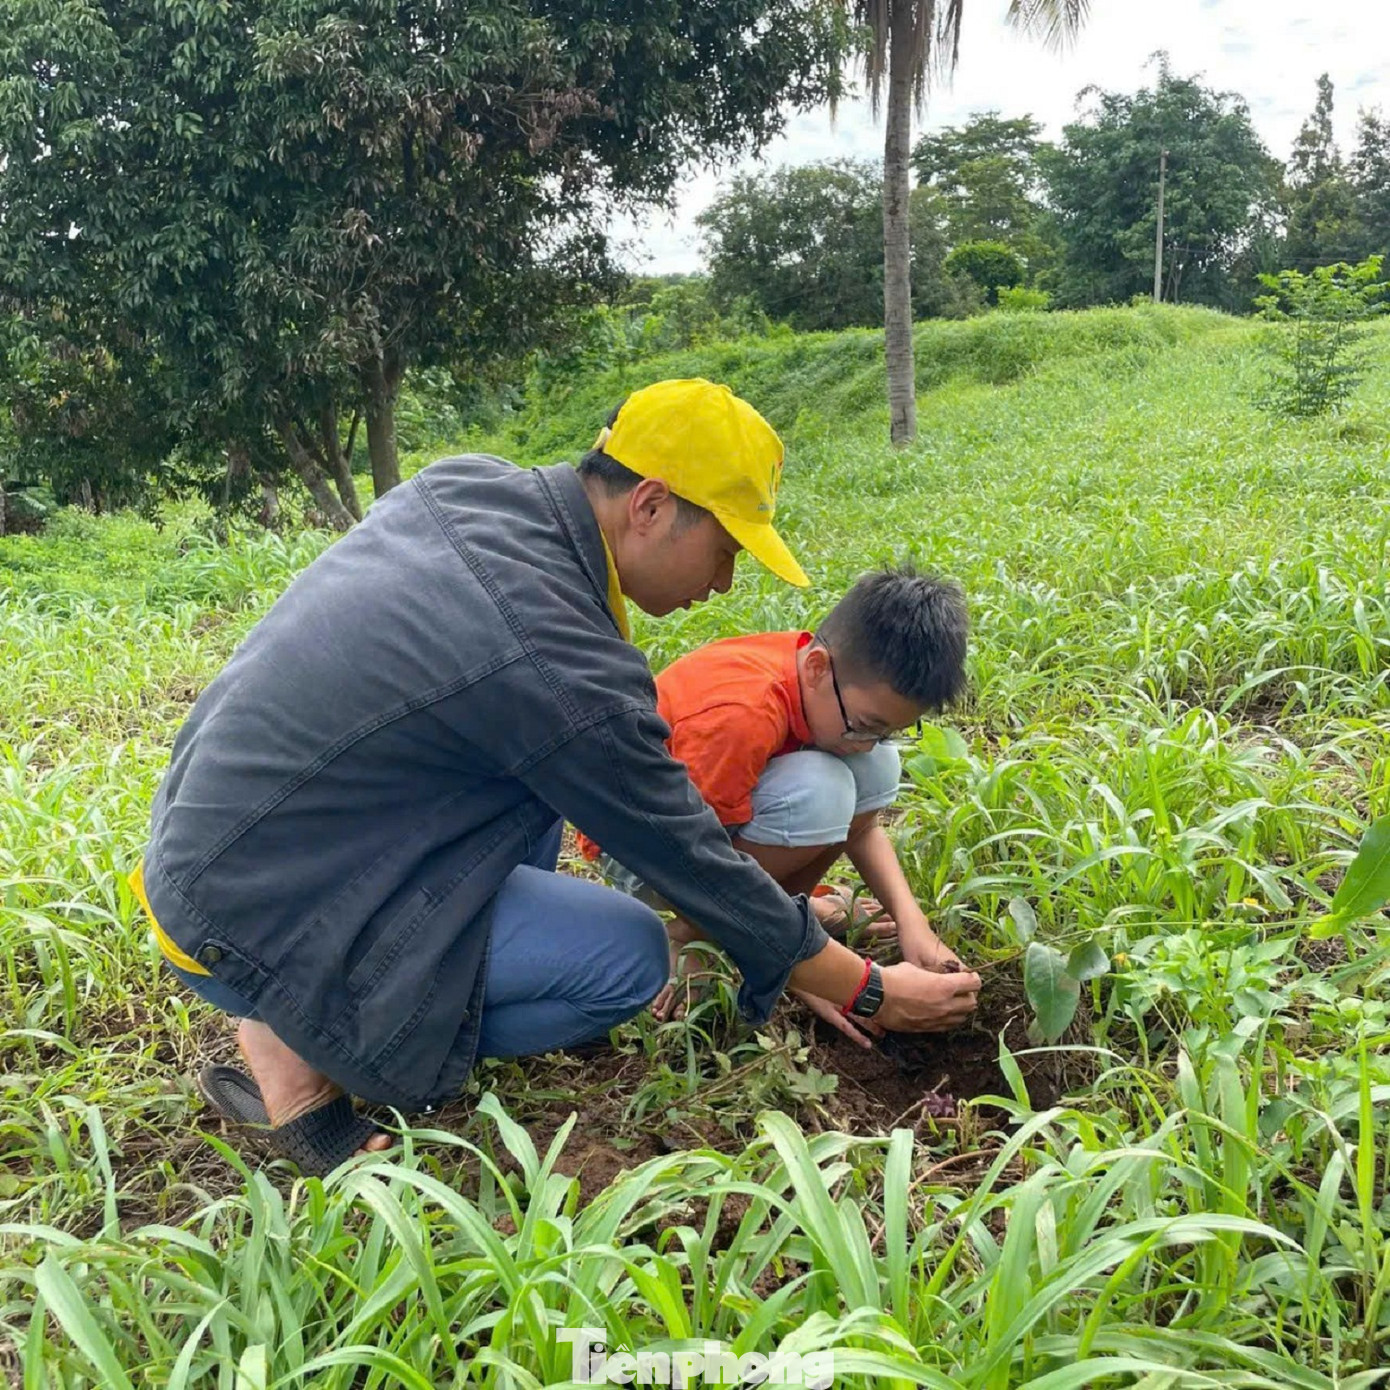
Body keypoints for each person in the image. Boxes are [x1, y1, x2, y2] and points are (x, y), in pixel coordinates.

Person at [129, 377, 982, 1175]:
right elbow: (690, 859)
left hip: (214, 845)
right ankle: (299, 1051)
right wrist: (867, 991)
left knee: (529, 787)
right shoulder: (555, 654)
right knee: (628, 958)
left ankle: (313, 1001)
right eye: (724, 551)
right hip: (252, 910)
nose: (723, 585)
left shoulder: (472, 489)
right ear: (650, 505)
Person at [577, 567, 970, 1046]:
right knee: (820, 789)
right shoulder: (739, 715)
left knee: (876, 769)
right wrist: (805, 969)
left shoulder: (828, 678)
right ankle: (691, 937)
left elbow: (862, 829)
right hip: (641, 852)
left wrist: (915, 925)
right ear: (817, 667)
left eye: (885, 729)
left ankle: (787, 915)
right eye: (864, 725)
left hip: (715, 834)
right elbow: (693, 866)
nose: (866, 743)